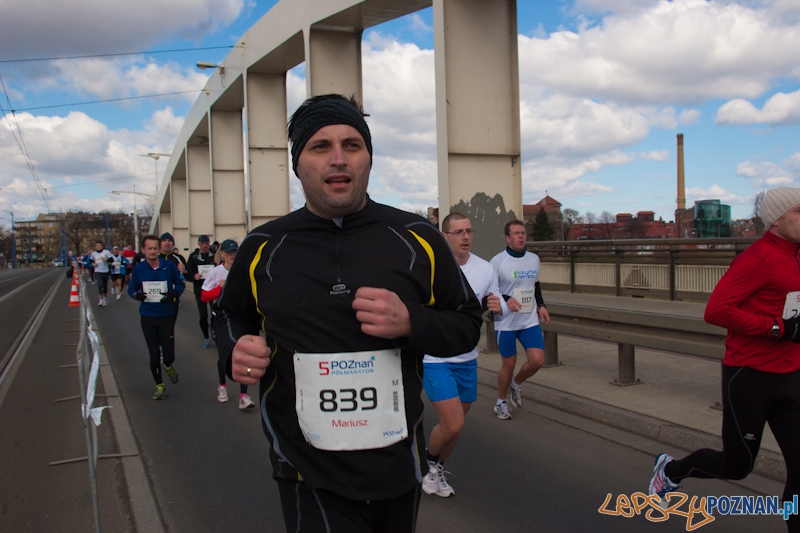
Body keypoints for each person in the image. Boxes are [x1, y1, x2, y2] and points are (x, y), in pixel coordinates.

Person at [214, 94, 482, 533]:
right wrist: (234, 349)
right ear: (298, 164)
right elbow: (229, 315)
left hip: (397, 467)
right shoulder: (264, 246)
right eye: (320, 146)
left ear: (368, 159)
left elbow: (468, 323)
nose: (338, 158)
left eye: (352, 145)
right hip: (306, 470)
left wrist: (412, 323)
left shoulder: (418, 238)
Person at [649, 187, 800, 532]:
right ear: (776, 221)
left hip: (792, 374)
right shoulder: (757, 258)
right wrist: (778, 328)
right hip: (750, 377)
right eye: (799, 211)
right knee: (737, 466)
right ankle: (670, 471)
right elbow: (716, 311)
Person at [421, 212, 506, 498]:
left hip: (468, 359)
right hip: (435, 359)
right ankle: (429, 464)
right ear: (444, 236)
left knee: (455, 427)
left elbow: (496, 304)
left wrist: (500, 306)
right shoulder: (430, 267)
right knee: (453, 423)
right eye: (458, 232)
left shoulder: (485, 269)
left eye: (468, 231)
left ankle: (436, 469)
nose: (465, 237)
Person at [490, 220, 551, 420]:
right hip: (506, 321)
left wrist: (541, 305)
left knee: (537, 361)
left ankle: (515, 383)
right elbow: (491, 290)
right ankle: (501, 402)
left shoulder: (534, 259)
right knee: (509, 364)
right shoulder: (498, 261)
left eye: (523, 233)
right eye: (516, 233)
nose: (521, 236)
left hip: (528, 320)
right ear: (508, 238)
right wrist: (507, 299)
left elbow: (536, 284)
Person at [128, 234, 185, 400]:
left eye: (155, 248)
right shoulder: (139, 269)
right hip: (148, 315)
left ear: (159, 249)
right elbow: (131, 289)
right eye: (149, 248)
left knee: (168, 354)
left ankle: (168, 365)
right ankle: (159, 384)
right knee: (154, 355)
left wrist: (173, 294)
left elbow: (180, 284)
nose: (152, 251)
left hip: (166, 314)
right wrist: (136, 295)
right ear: (143, 250)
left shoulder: (168, 266)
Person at [201, 239, 255, 409]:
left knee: (244, 354)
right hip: (221, 319)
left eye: (235, 252)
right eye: (229, 252)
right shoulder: (216, 272)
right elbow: (204, 296)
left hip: (241, 317)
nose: (233, 255)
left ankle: (243, 395)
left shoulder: (244, 271)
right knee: (225, 354)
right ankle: (222, 386)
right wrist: (219, 289)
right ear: (222, 254)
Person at [186, 235, 217, 348]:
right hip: (200, 289)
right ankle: (206, 337)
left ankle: (213, 327)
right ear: (198, 244)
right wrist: (194, 276)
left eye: (206, 243)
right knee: (203, 315)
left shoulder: (215, 255)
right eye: (202, 243)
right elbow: (188, 272)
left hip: (213, 289)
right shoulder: (193, 257)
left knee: (215, 312)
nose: (205, 245)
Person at [159, 233, 187, 318]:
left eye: (169, 241)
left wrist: (184, 271)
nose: (167, 243)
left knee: (170, 324)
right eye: (164, 241)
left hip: (173, 298)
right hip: (156, 297)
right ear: (160, 243)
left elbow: (189, 276)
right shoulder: (155, 258)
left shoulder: (179, 258)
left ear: (173, 244)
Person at [90, 241, 113, 307]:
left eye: (99, 245)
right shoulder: (94, 253)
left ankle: (105, 299)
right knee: (99, 285)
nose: (98, 247)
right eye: (97, 245)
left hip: (105, 271)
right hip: (97, 271)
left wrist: (106, 260)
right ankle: (100, 300)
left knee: (105, 286)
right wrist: (93, 264)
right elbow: (91, 260)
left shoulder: (106, 252)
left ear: (102, 246)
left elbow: (111, 260)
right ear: (95, 247)